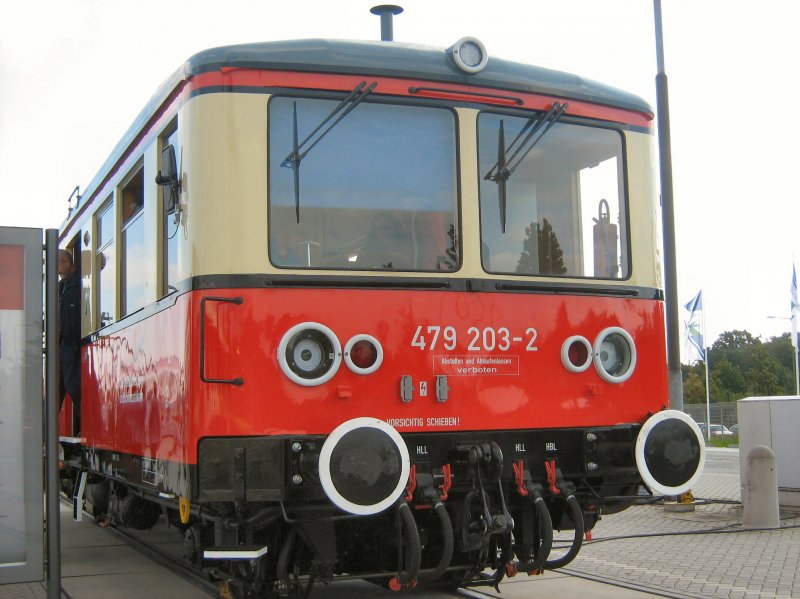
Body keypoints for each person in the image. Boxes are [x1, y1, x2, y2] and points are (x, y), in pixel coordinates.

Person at [58, 249, 81, 434]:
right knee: (57, 388)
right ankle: (45, 432)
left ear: (66, 263)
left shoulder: (80, 282)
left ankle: (85, 425)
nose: (58, 272)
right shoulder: (62, 286)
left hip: (73, 342)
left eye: (58, 266)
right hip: (63, 342)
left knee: (73, 385)